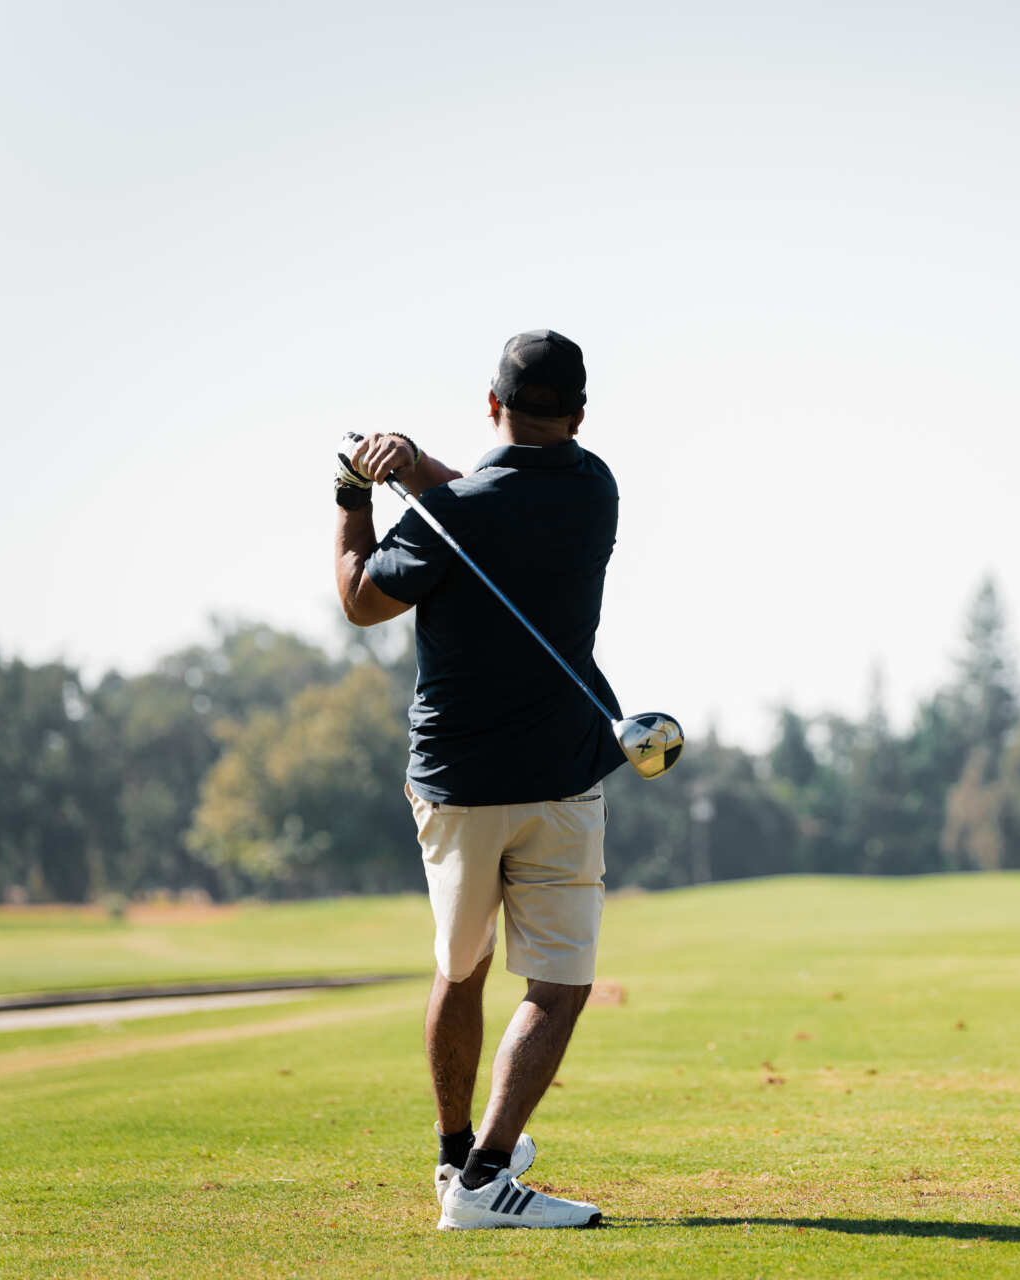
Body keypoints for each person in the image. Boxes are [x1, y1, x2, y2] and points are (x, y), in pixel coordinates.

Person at [332, 330, 625, 1230]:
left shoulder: (448, 517)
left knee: (460, 972)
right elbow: (492, 501)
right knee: (558, 986)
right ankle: (486, 1175)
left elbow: (361, 599)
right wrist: (418, 467)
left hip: (456, 787)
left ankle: (460, 1160)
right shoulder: (595, 487)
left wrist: (353, 494)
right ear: (580, 414)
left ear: (492, 403)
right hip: (561, 779)